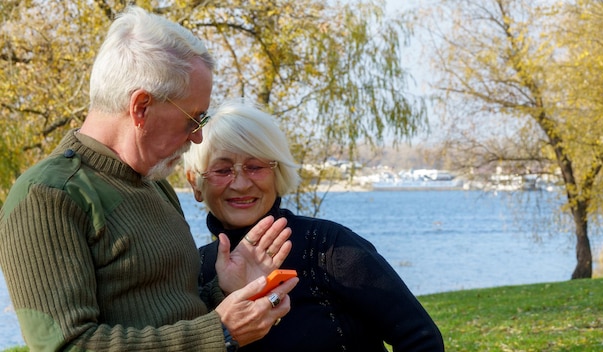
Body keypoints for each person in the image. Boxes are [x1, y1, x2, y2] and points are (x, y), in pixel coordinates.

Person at [0, 6, 297, 351]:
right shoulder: (49, 195)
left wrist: (226, 289)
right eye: (194, 119)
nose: (197, 137)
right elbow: (68, 346)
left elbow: (170, 313)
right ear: (141, 106)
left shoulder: (154, 184)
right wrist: (221, 333)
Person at [183, 99, 446, 351]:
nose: (240, 184)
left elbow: (420, 338)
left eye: (255, 166)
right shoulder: (194, 270)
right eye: (222, 170)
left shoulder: (328, 247)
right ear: (195, 182)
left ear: (278, 173)